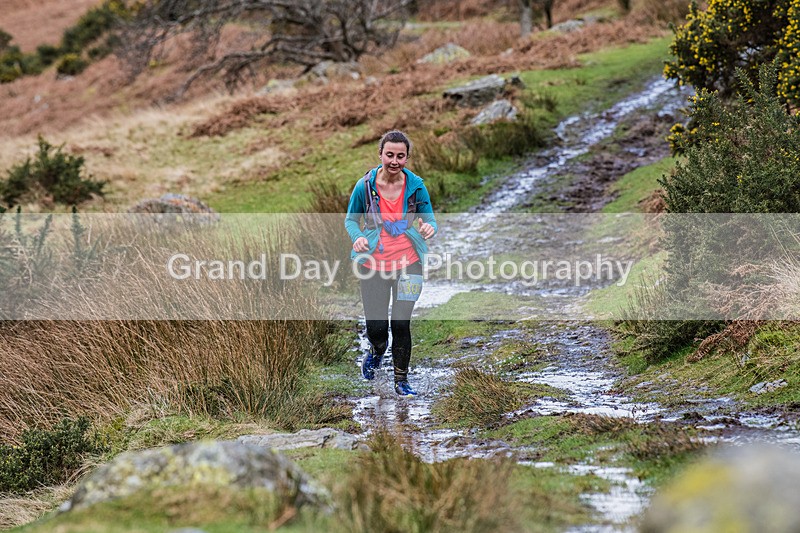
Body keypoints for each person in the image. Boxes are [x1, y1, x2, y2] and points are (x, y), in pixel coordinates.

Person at [344, 130, 437, 397]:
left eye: (401, 156)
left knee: (400, 323)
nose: (394, 161)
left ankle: (401, 380)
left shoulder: (416, 186)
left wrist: (429, 227)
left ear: (407, 157)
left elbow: (429, 218)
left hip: (410, 263)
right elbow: (351, 220)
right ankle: (376, 349)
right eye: (390, 155)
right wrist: (358, 237)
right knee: (377, 328)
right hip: (373, 264)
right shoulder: (364, 187)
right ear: (380, 154)